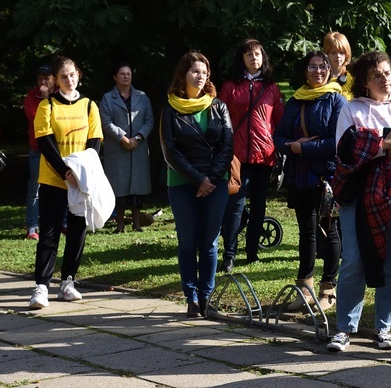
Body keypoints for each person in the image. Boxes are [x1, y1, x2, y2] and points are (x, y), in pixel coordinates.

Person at [327, 51, 391, 352]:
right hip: (360, 192)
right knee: (354, 261)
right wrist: (382, 145)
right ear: (364, 82)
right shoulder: (352, 109)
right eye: (377, 75)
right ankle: (345, 328)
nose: (385, 78)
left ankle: (383, 329)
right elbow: (344, 151)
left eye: (388, 72)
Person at [160, 51, 233, 318]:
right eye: (194, 71)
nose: (200, 76)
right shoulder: (170, 108)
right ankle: (191, 296)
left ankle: (207, 297)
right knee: (188, 242)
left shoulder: (218, 106)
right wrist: (197, 179)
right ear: (183, 75)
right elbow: (170, 150)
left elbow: (227, 145)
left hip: (216, 182)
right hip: (182, 182)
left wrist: (211, 179)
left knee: (210, 243)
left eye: (204, 72)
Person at [28, 56, 103, 309]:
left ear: (78, 74)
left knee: (77, 232)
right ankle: (41, 286)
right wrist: (64, 171)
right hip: (54, 180)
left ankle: (68, 282)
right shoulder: (47, 106)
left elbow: (94, 142)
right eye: (63, 76)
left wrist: (79, 173)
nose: (69, 80)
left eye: (72, 74)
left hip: (80, 181)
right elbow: (45, 142)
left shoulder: (90, 105)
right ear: (56, 80)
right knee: (49, 231)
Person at [274, 51, 345, 312]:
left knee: (330, 231)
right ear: (305, 71)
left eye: (323, 66)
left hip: (326, 178)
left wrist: (303, 148)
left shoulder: (336, 100)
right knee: (306, 232)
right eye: (312, 67)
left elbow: (337, 142)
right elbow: (278, 136)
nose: (318, 71)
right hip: (299, 178)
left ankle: (329, 290)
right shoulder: (295, 100)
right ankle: (304, 290)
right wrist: (291, 146)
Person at [218, 39, 284, 271]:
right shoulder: (229, 87)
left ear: (263, 58)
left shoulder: (272, 88)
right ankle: (229, 254)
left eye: (257, 54)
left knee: (259, 205)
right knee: (234, 205)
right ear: (242, 59)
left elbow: (279, 122)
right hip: (237, 156)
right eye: (249, 54)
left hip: (264, 156)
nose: (254, 58)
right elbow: (220, 121)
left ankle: (252, 252)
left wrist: (278, 151)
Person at [100, 61, 154, 233]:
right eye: (122, 74)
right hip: (117, 150)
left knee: (137, 188)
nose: (126, 76)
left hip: (138, 148)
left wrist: (137, 137)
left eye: (128, 74)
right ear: (115, 77)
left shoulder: (142, 97)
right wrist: (122, 138)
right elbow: (106, 122)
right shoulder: (108, 98)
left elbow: (149, 120)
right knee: (119, 187)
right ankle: (120, 225)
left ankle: (137, 224)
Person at [23, 64, 56, 241]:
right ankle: (32, 227)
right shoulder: (31, 96)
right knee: (34, 189)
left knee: (61, 186)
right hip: (37, 149)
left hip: (57, 149)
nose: (43, 82)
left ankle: (63, 222)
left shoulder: (61, 95)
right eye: (40, 78)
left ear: (54, 79)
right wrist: (45, 99)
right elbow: (38, 121)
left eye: (47, 78)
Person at [323, 31, 354, 101]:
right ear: (326, 54)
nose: (338, 56)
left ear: (347, 54)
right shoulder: (321, 77)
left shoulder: (351, 78)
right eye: (333, 52)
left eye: (341, 52)